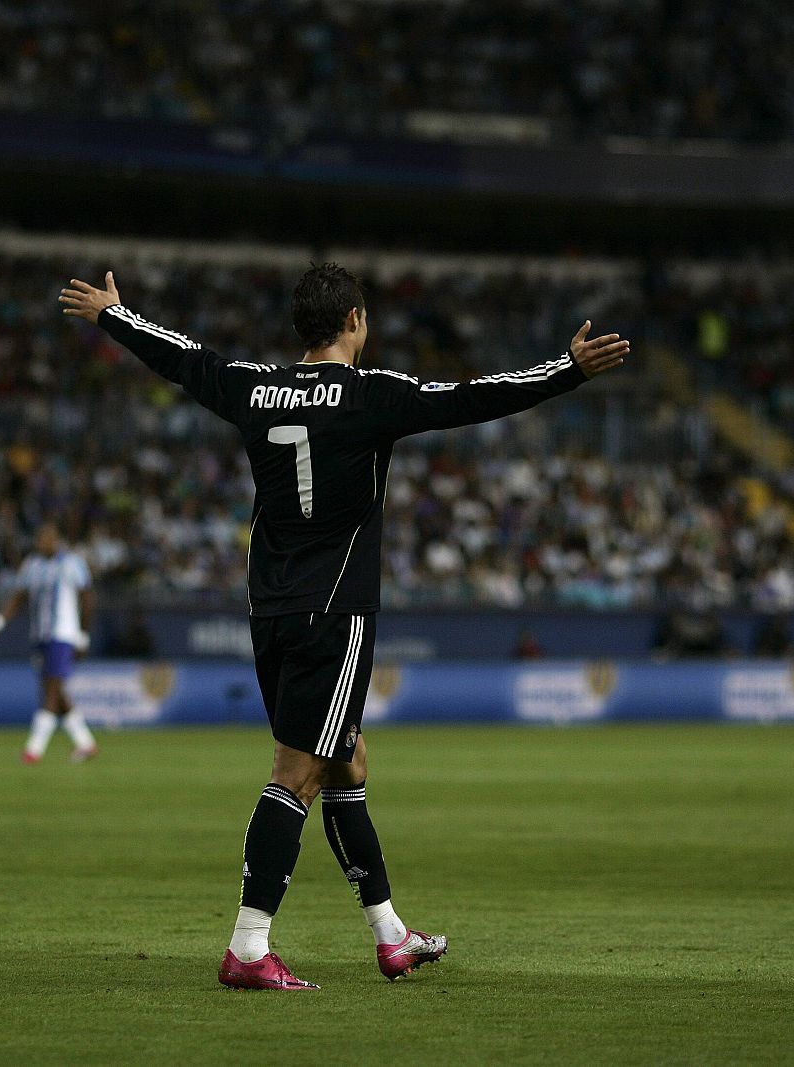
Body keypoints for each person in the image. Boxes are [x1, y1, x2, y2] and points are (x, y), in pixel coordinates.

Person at [61, 264, 629, 990]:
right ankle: (248, 947)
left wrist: (113, 314)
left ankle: (392, 935)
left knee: (346, 762)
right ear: (355, 320)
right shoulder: (371, 395)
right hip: (335, 612)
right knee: (295, 776)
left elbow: (182, 357)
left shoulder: (250, 385)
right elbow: (474, 398)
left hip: (270, 609)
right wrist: (567, 370)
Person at [0, 522, 99, 763]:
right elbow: (18, 598)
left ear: (58, 540)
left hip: (63, 635)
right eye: (41, 538)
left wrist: (83, 636)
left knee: (51, 689)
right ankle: (86, 744)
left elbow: (87, 599)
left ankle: (34, 749)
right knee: (53, 688)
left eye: (50, 538)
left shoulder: (72, 564)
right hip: (41, 635)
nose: (45, 542)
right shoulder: (31, 566)